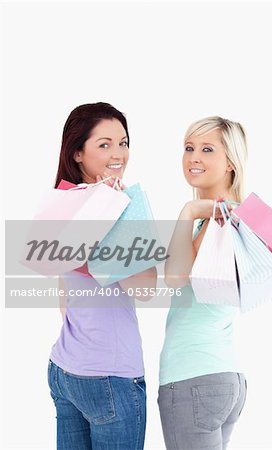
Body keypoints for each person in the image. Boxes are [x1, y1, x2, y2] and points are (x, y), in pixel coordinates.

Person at [47, 102, 156, 449]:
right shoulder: (113, 208)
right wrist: (122, 217)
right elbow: (147, 288)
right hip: (111, 375)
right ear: (77, 152)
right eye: (104, 144)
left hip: (65, 369)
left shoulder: (60, 204)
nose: (118, 153)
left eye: (123, 142)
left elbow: (63, 296)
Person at [158, 116, 248, 450]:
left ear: (230, 164)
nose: (194, 157)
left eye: (207, 149)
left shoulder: (218, 220)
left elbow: (175, 276)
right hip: (225, 376)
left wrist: (189, 209)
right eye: (189, 147)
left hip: (193, 376)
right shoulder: (234, 217)